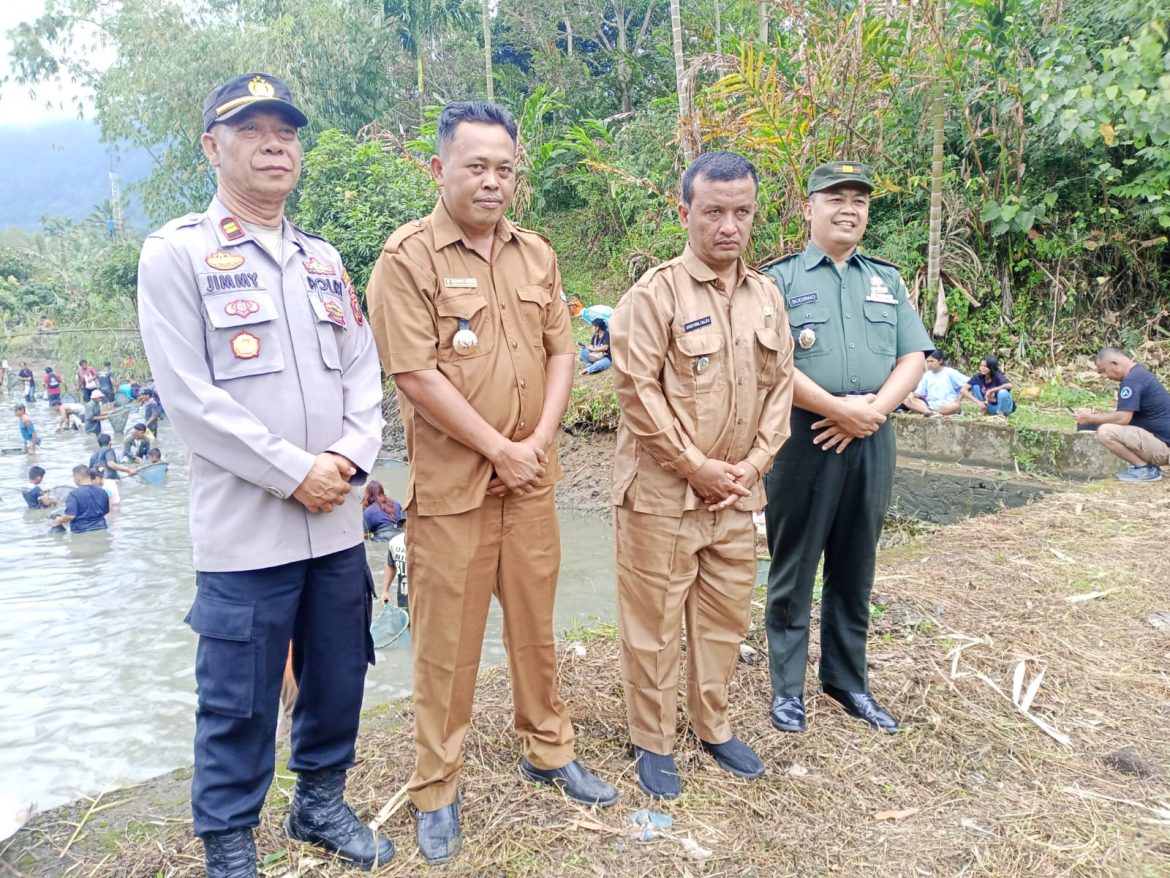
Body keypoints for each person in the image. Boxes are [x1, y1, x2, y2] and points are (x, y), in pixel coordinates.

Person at [136, 73, 390, 876]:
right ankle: (230, 842)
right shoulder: (176, 254)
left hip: (337, 522)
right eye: (251, 130)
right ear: (213, 147)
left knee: (339, 673)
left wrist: (348, 460)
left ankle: (319, 805)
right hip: (246, 533)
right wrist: (293, 473)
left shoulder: (324, 259)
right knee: (238, 697)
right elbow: (190, 400)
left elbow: (363, 373)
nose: (274, 143)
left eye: (286, 130)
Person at [366, 100, 617, 865]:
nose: (492, 181)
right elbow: (415, 374)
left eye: (505, 168)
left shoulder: (536, 254)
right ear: (439, 169)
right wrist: (498, 449)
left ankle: (548, 748)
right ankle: (435, 787)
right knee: (447, 644)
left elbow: (563, 354)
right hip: (455, 493)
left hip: (532, 483)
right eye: (476, 166)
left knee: (536, 628)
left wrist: (537, 440)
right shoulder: (405, 259)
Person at [609, 152, 795, 798]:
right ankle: (653, 740)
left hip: (737, 495)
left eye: (742, 212)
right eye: (714, 211)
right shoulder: (654, 295)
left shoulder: (767, 296)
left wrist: (750, 465)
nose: (729, 226)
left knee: (722, 617)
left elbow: (781, 390)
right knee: (654, 623)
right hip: (662, 495)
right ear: (684, 211)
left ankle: (712, 725)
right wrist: (695, 467)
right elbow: (636, 391)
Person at [760, 161, 933, 736]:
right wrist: (838, 410)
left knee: (856, 563)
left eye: (859, 199)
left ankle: (846, 681)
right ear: (808, 208)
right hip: (805, 436)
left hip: (872, 436)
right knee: (795, 564)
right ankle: (788, 689)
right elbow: (772, 364)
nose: (849, 209)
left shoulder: (887, 279)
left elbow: (913, 357)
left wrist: (872, 412)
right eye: (835, 197)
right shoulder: (777, 281)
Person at [1076, 346, 1170, 482]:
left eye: (1103, 371)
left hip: (1164, 449)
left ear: (1114, 363)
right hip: (1162, 443)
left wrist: (1091, 418)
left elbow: (1122, 419)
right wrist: (1090, 421)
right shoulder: (1138, 374)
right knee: (1094, 426)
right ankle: (1145, 468)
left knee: (1105, 432)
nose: (1105, 376)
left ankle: (1145, 470)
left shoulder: (1132, 381)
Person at [903, 350, 967, 416]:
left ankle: (932, 412)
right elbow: (919, 393)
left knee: (955, 406)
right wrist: (911, 394)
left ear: (940, 361)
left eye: (932, 361)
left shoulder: (950, 372)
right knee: (905, 400)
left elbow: (969, 384)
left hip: (948, 404)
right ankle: (930, 412)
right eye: (927, 361)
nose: (929, 364)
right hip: (929, 405)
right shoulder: (926, 375)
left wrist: (959, 399)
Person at [50, 464, 110, 533]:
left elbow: (70, 516)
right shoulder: (103, 491)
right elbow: (106, 511)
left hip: (81, 530)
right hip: (102, 528)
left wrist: (59, 520)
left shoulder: (74, 494)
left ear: (77, 478)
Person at [381, 530, 409, 609]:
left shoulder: (430, 545)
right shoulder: (395, 543)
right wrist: (385, 591)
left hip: (426, 603)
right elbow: (391, 565)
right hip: (403, 600)